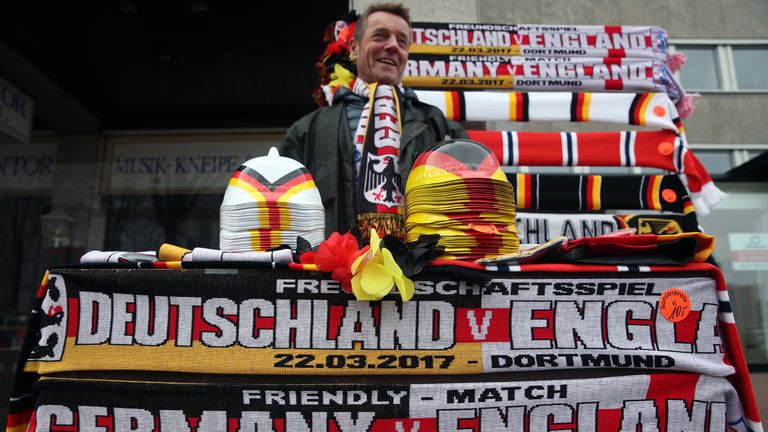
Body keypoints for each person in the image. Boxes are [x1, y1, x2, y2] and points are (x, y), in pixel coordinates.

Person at [279, 3, 467, 241]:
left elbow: (466, 207)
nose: (392, 46)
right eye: (380, 36)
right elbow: (282, 212)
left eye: (402, 42)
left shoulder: (439, 126)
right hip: (329, 272)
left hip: (420, 273)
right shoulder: (307, 130)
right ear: (355, 49)